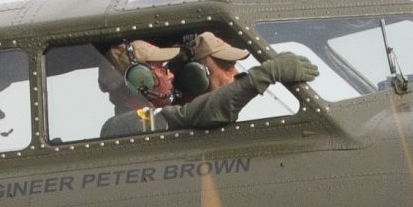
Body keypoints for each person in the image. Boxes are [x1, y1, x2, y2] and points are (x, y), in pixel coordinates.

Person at [95, 36, 317, 137]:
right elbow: (187, 115)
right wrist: (263, 75)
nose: (170, 74)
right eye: (161, 69)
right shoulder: (119, 127)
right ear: (139, 81)